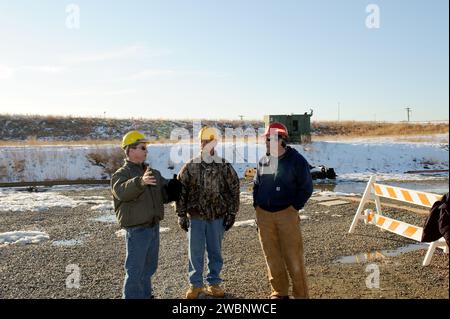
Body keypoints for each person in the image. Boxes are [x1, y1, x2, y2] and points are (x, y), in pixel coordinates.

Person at [111, 130, 181, 299]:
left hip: (153, 227)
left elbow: (162, 195)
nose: (146, 151)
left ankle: (145, 295)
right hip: (136, 230)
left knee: (149, 268)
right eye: (142, 148)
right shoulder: (121, 174)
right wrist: (140, 182)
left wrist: (174, 189)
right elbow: (121, 192)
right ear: (130, 150)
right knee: (135, 270)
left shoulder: (152, 173)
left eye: (146, 148)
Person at [176, 127, 240, 299]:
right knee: (195, 252)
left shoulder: (224, 165)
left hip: (217, 217)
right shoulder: (190, 166)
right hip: (195, 217)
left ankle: (214, 283)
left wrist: (232, 213)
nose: (206, 144)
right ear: (200, 143)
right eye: (203, 141)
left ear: (216, 142)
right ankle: (196, 285)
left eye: (209, 141)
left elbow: (234, 188)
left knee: (215, 251)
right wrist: (181, 214)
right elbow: (181, 191)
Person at [253, 122, 313, 299]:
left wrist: (294, 207)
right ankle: (279, 292)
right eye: (266, 138)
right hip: (264, 216)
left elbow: (307, 187)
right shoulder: (264, 160)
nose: (266, 141)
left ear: (281, 139)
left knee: (293, 256)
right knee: (271, 256)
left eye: (270, 138)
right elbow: (256, 185)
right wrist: (257, 206)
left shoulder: (296, 160)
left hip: (287, 214)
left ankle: (301, 295)